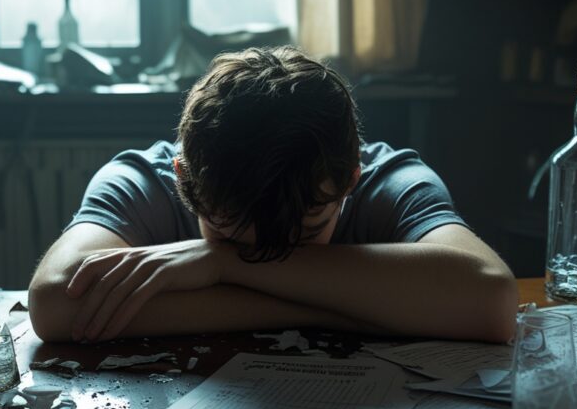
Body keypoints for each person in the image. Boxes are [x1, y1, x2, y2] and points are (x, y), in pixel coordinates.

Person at [28, 46, 517, 344]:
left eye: (302, 235)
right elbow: (55, 303)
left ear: (350, 180)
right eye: (230, 237)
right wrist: (337, 307)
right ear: (182, 179)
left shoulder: (392, 179)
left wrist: (222, 261)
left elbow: (491, 299)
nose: (263, 254)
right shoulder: (140, 179)